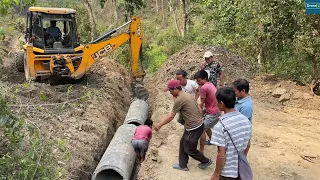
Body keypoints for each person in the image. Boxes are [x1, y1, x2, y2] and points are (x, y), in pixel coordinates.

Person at [154, 80, 212, 171]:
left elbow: (171, 117)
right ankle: (182, 164)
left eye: (170, 91)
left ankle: (205, 161)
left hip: (194, 128)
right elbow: (198, 108)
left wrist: (159, 125)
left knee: (189, 149)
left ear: (175, 89)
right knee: (183, 142)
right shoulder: (188, 95)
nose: (170, 93)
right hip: (197, 125)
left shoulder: (180, 99)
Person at [210, 87, 252, 180]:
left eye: (217, 101)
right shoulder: (246, 120)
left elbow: (221, 155)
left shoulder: (220, 126)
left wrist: (216, 174)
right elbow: (248, 145)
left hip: (227, 173)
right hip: (241, 171)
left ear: (222, 103)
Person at [194, 70, 221, 153]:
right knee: (206, 125)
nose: (197, 82)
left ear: (204, 78)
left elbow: (201, 104)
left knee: (201, 129)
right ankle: (212, 140)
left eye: (198, 80)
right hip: (216, 110)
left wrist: (199, 114)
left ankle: (201, 152)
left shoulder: (204, 88)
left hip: (213, 113)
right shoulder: (210, 84)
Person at [233, 79, 253, 155]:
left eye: (235, 91)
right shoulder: (239, 99)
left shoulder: (246, 106)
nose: (234, 93)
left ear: (243, 91)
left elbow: (243, 125)